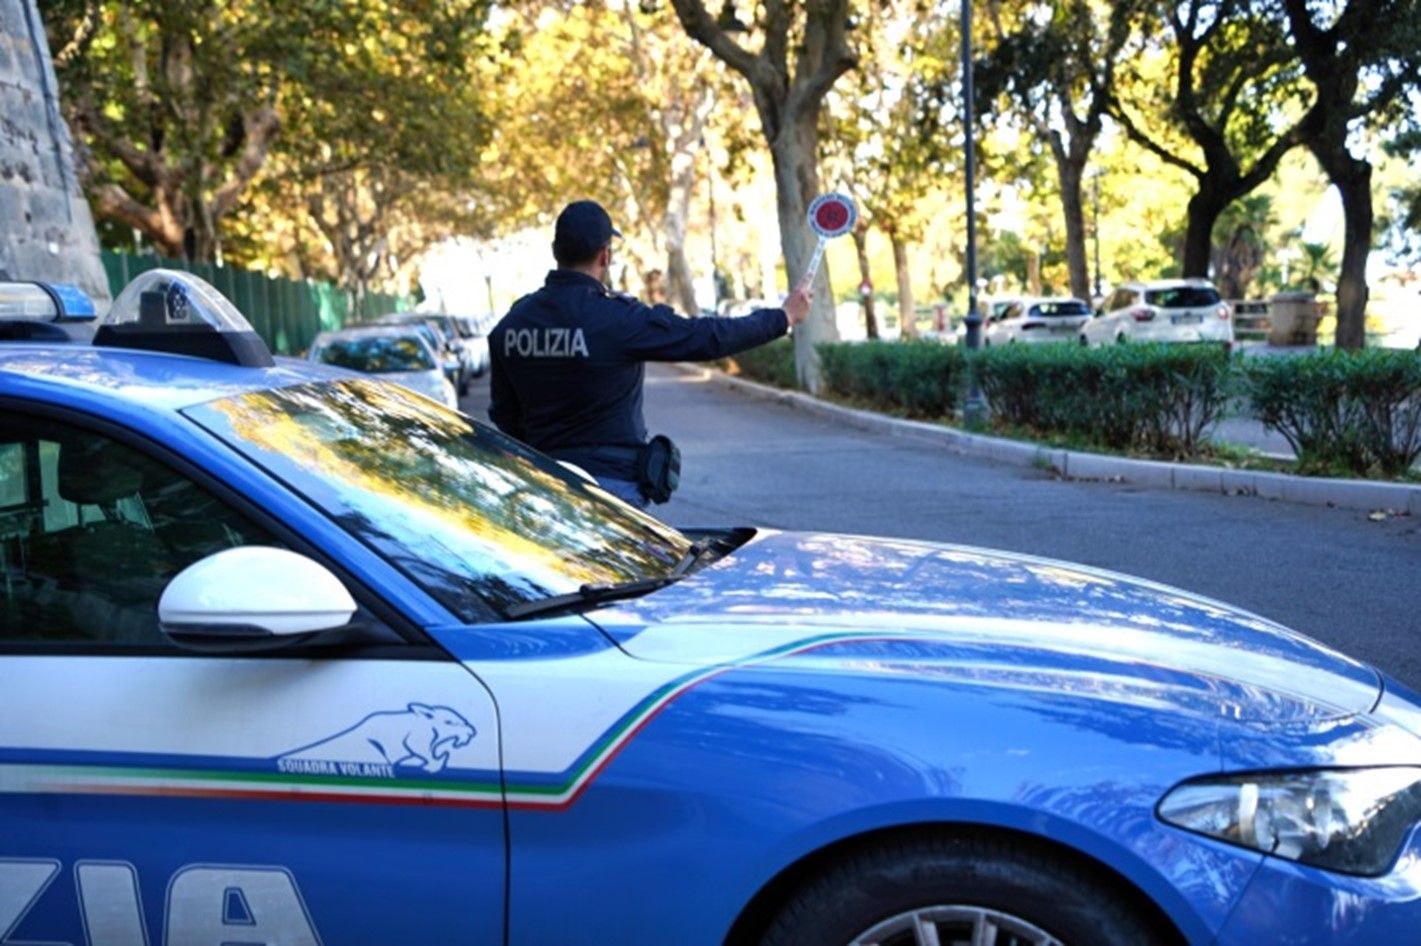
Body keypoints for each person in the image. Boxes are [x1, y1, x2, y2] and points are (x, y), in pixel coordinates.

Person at [489, 199, 811, 508]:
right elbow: (706, 338)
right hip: (611, 491)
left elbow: (504, 414)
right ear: (605, 256)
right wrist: (782, 318)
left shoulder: (513, 324)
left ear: (555, 252)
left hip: (543, 486)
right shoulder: (619, 318)